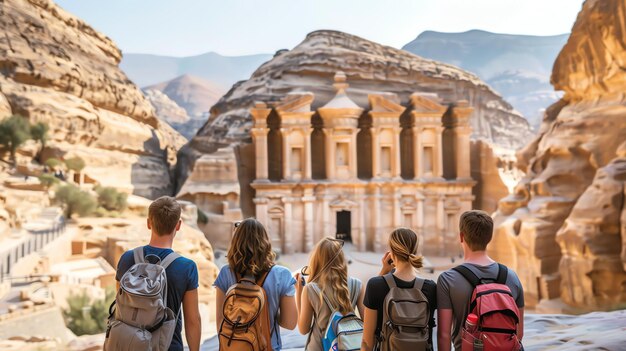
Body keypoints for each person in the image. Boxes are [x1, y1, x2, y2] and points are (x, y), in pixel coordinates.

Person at [115, 196, 201, 351]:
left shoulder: (127, 259)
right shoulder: (186, 267)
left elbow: (120, 305)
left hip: (128, 345)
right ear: (178, 225)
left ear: (149, 223)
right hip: (167, 346)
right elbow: (193, 321)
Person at [437, 210, 525, 351]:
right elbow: (518, 334)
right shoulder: (512, 277)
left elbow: (444, 336)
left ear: (461, 236)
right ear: (489, 238)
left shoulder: (448, 279)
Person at [214, 218, 298, 350]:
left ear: (236, 242)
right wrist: (269, 310)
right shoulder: (282, 275)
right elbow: (290, 323)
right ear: (265, 242)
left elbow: (220, 324)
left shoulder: (225, 273)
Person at [361, 228, 437, 351]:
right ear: (415, 250)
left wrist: (383, 271)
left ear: (391, 253)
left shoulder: (375, 285)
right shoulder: (430, 288)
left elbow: (366, 342)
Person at [295, 237, 365, 350]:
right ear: (341, 259)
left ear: (316, 260)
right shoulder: (358, 285)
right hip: (348, 346)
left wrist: (299, 293)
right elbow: (368, 325)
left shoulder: (310, 289)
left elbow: (303, 329)